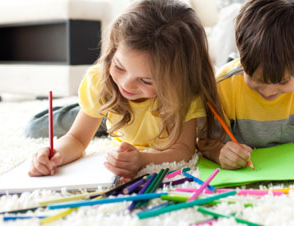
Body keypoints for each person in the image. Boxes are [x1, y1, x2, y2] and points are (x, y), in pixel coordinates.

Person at [29, 0, 224, 181]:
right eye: (120, 67)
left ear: (178, 80)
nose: (127, 85)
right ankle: (89, 112)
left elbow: (184, 151)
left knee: (106, 124)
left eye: (146, 80)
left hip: (128, 120)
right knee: (36, 126)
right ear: (112, 51)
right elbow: (77, 138)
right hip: (111, 107)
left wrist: (142, 160)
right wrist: (55, 156)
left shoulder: (185, 94)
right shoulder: (102, 80)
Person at [198, 0, 294, 170]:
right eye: (256, 79)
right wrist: (220, 153)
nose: (268, 91)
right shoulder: (223, 88)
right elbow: (206, 142)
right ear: (241, 59)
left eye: (282, 81)